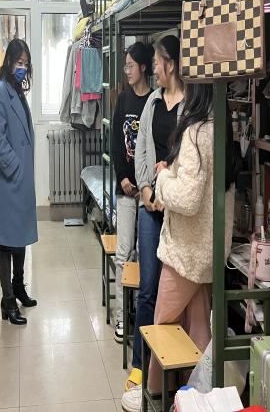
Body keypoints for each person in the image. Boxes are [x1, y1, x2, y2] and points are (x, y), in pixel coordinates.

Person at [122, 83, 236, 412]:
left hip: (186, 249)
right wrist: (172, 171)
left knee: (163, 324)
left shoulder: (196, 132)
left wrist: (162, 178)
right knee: (198, 327)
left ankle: (155, 393)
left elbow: (186, 198)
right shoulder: (220, 127)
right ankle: (198, 395)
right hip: (209, 249)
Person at [125, 35, 184, 396]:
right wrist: (146, 189)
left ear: (170, 64)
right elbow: (142, 148)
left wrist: (167, 187)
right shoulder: (152, 102)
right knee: (147, 289)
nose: (155, 70)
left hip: (176, 210)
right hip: (151, 206)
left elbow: (190, 155)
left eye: (159, 63)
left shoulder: (190, 105)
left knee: (172, 293)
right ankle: (139, 365)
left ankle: (168, 372)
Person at [0, 38, 38, 326]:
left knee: (19, 236)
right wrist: (16, 168)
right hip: (10, 180)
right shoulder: (0, 93)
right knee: (8, 242)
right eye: (19, 63)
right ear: (8, 62)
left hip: (20, 179)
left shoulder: (16, 90)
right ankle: (7, 301)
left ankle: (18, 287)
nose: (22, 68)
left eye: (25, 64)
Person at [111, 42, 153, 344]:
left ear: (143, 67)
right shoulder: (123, 99)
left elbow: (155, 146)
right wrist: (123, 178)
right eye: (125, 65)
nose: (126, 70)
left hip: (147, 190)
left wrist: (146, 183)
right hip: (126, 190)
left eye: (130, 65)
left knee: (144, 254)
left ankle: (139, 314)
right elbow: (116, 142)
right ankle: (120, 316)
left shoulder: (154, 101)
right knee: (123, 252)